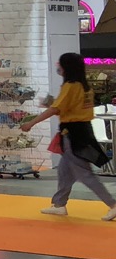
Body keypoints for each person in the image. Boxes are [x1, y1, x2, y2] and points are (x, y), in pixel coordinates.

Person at [21, 52, 116, 220]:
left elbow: (55, 109)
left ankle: (113, 204)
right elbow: (67, 107)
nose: (58, 66)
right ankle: (59, 204)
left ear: (67, 67)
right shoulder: (85, 87)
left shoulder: (70, 86)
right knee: (64, 171)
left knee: (85, 174)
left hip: (73, 135)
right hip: (83, 131)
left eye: (60, 64)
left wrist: (31, 123)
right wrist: (52, 104)